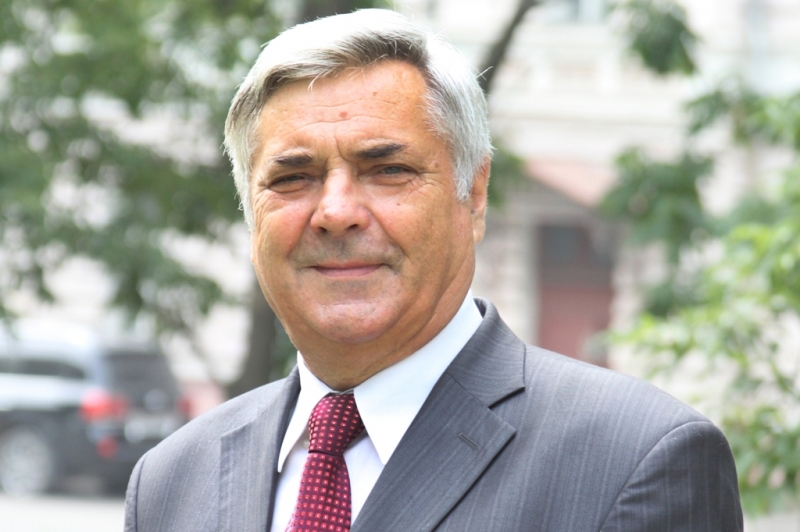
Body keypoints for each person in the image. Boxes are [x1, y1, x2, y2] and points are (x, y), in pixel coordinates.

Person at [124, 9, 742, 532]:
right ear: (250, 212)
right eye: (293, 177)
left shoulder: (635, 461)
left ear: (473, 197)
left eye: (387, 170)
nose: (335, 213)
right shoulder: (171, 483)